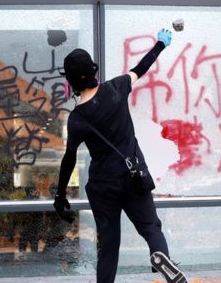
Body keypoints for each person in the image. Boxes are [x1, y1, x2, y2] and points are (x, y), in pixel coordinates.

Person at [54, 29, 188, 283]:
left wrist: (60, 195)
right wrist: (161, 44)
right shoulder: (116, 87)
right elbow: (142, 67)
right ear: (93, 72)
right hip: (132, 175)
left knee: (109, 243)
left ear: (70, 81)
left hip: (103, 185)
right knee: (150, 227)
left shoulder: (77, 119)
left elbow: (69, 158)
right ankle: (159, 254)